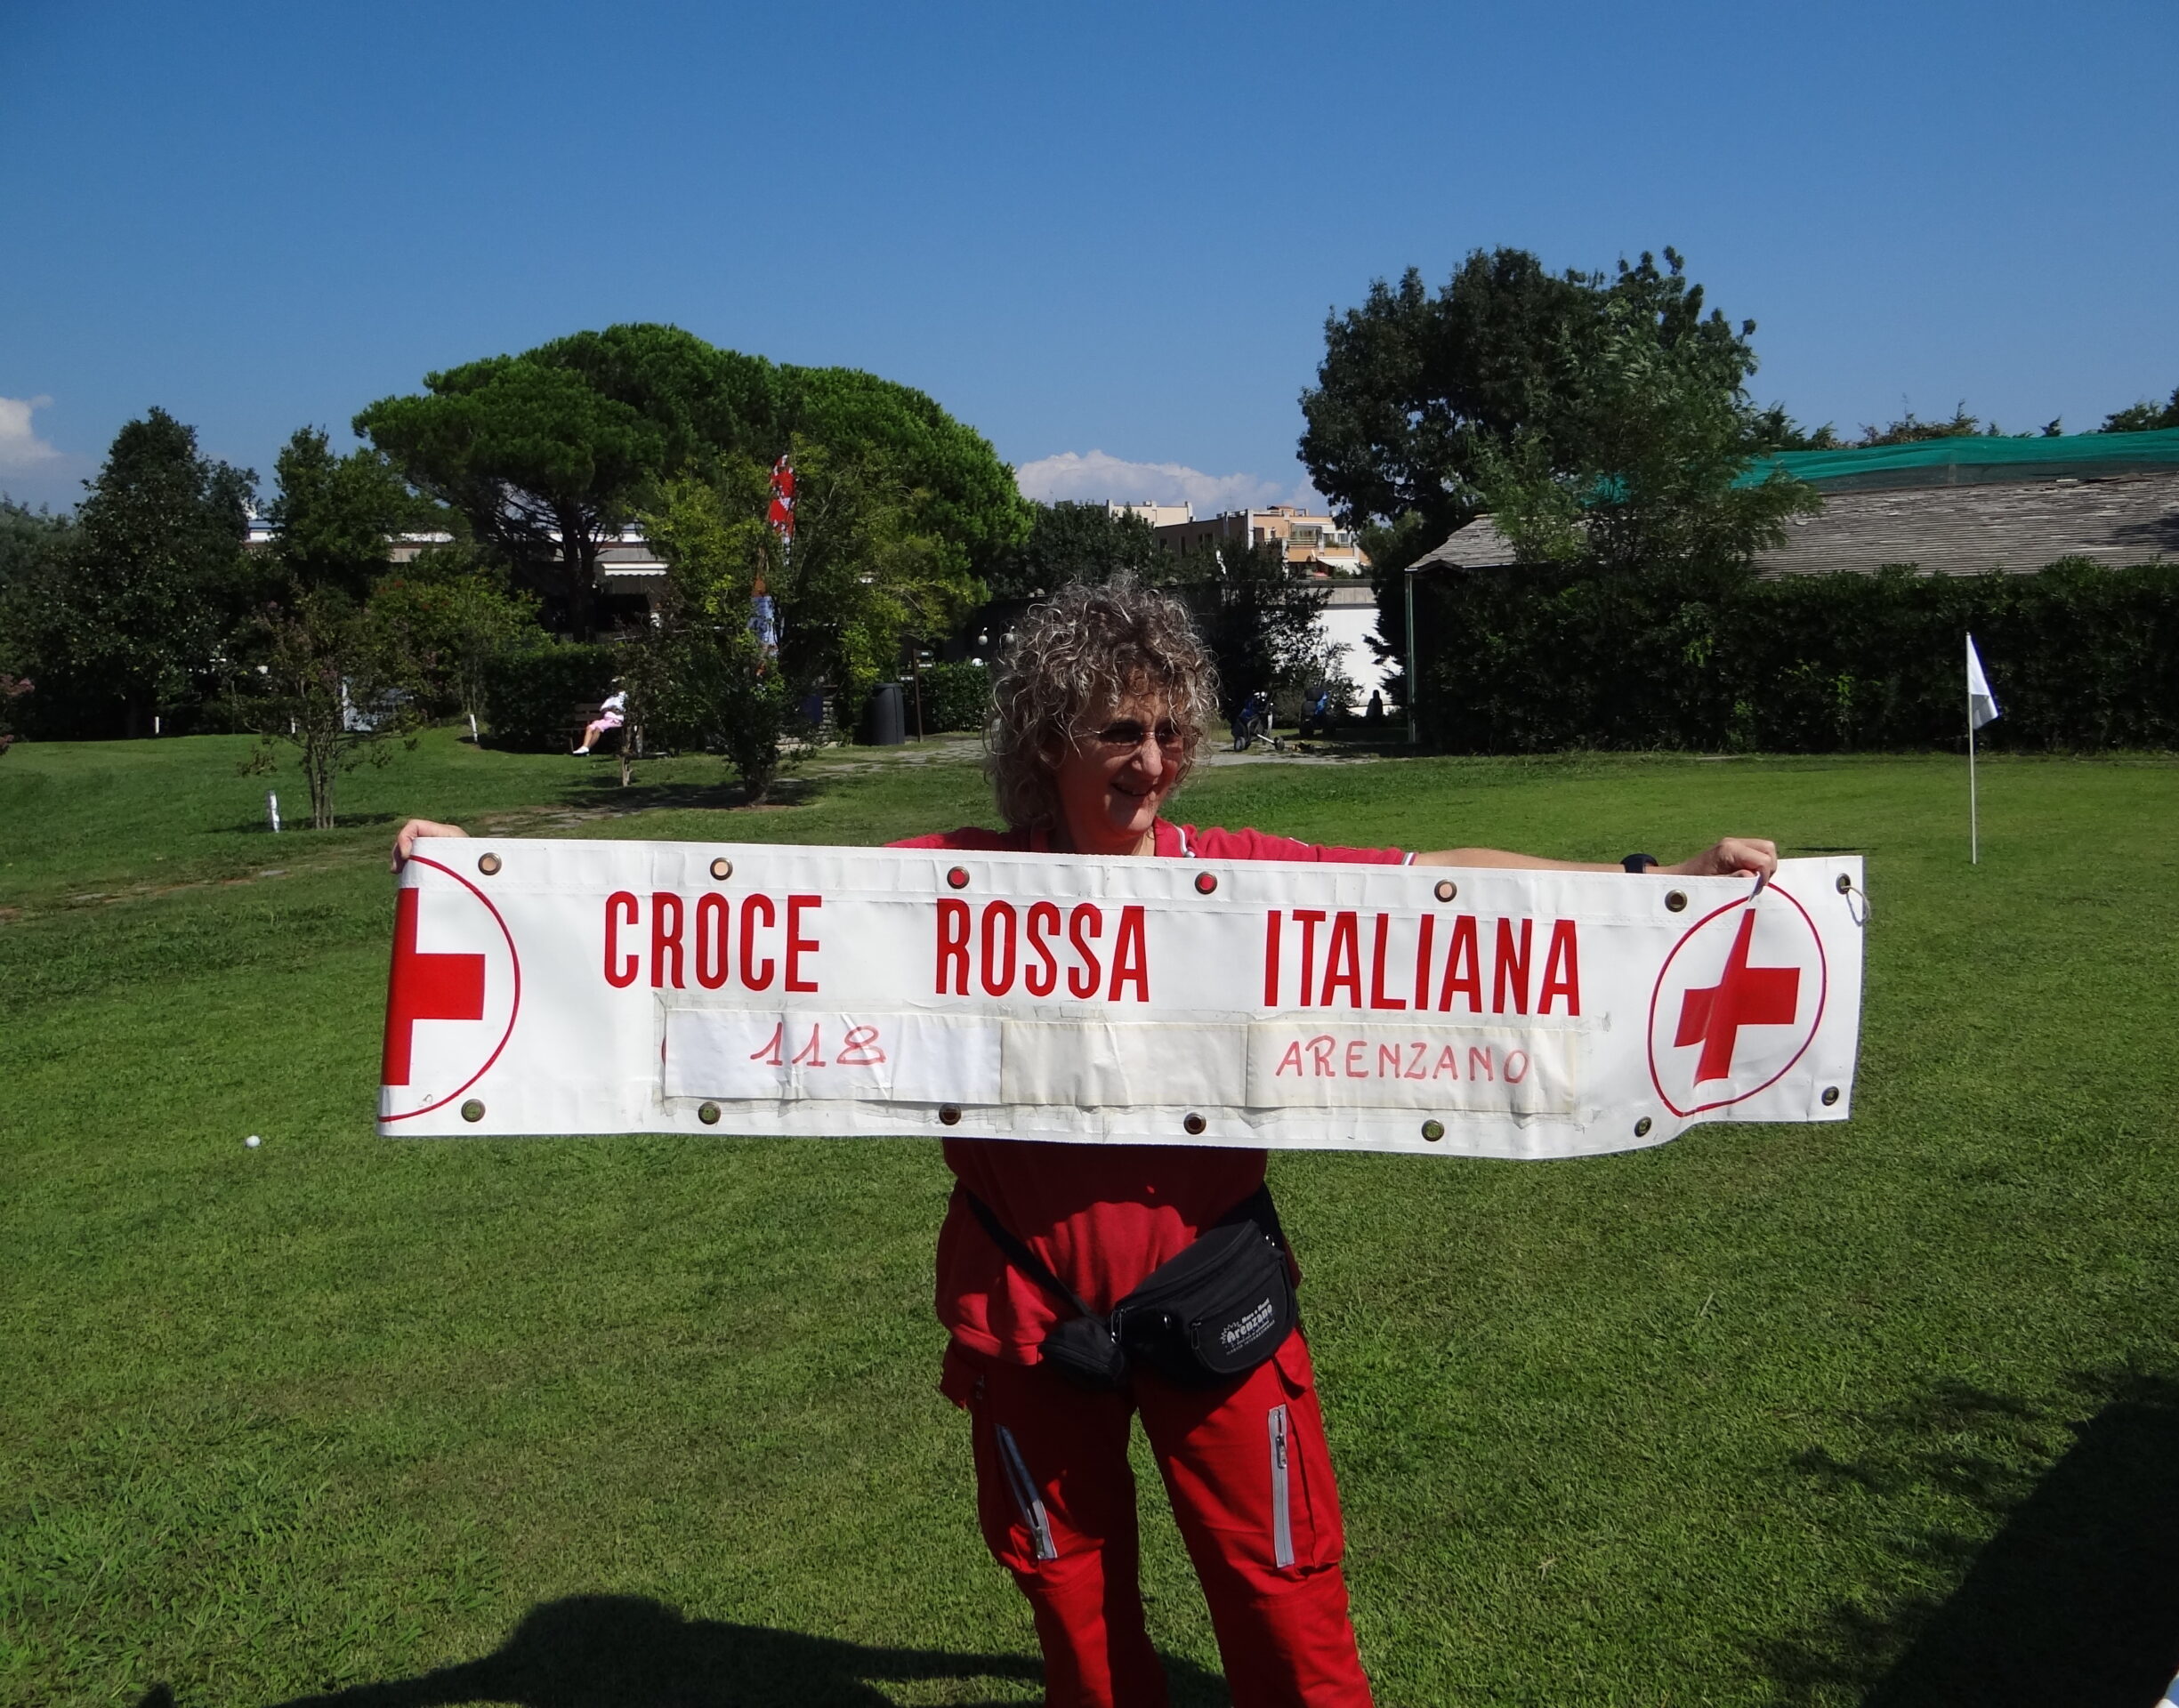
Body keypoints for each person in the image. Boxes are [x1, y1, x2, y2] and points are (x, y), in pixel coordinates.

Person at [389, 582, 1774, 1708]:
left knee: (1287, 1606)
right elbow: (696, 914)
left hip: (1215, 1299)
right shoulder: (948, 885)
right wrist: (475, 877)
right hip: (1026, 1312)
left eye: (1170, 731)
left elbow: (1448, 891)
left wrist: (1653, 889)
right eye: (1119, 731)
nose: (1151, 763)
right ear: (1047, 738)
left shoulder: (1244, 880)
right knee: (1078, 1622)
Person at [572, 686, 628, 755]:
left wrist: (617, 710)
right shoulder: (611, 697)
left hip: (616, 720)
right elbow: (602, 708)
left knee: (598, 728)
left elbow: (622, 710)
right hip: (605, 719)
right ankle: (584, 747)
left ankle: (587, 749)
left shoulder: (625, 697)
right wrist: (610, 708)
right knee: (590, 727)